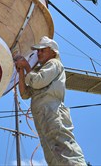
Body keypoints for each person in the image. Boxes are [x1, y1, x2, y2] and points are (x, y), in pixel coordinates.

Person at [14, 36, 86, 165]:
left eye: (42, 50)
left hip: (52, 111)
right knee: (52, 154)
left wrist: (26, 66)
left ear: (53, 52)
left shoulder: (54, 63)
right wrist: (21, 71)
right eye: (38, 51)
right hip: (43, 115)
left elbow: (37, 81)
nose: (39, 53)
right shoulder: (41, 71)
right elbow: (25, 94)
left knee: (64, 148)